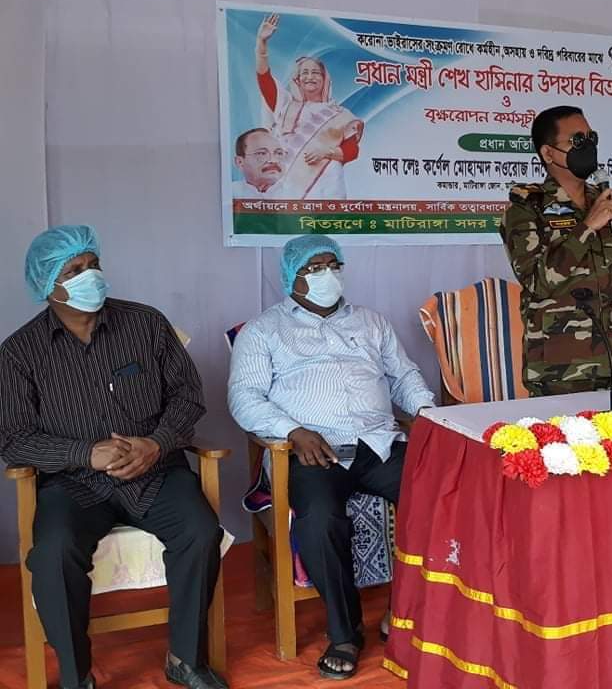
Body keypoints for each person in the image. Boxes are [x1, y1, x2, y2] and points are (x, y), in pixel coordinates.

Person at [0, 226, 226, 689]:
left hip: (155, 472)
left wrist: (157, 442)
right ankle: (76, 675)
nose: (91, 276)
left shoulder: (146, 324)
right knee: (53, 554)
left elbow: (188, 396)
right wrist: (86, 453)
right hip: (75, 484)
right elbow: (14, 438)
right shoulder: (19, 353)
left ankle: (186, 659)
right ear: (47, 284)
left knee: (200, 531)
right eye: (74, 271)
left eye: (94, 265)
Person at [227, 234, 434, 681]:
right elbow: (244, 398)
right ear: (292, 277)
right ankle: (344, 632)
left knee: (440, 499)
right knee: (319, 520)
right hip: (313, 452)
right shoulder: (264, 331)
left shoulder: (371, 322)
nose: (328, 275)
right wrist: (293, 431)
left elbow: (403, 376)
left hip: (379, 443)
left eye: (333, 265)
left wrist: (425, 413)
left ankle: (403, 609)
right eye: (314, 268)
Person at [501, 105, 612, 397]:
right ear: (548, 153)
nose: (587, 146)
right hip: (559, 368)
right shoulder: (526, 209)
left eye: (591, 138)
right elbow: (537, 282)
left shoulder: (606, 202)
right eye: (577, 140)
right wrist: (587, 226)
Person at [255, 13, 364, 200]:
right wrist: (261, 43)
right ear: (297, 79)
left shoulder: (341, 115)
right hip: (286, 184)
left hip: (326, 183)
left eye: (315, 73)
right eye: (304, 73)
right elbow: (264, 78)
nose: (310, 77)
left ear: (324, 79)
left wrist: (326, 152)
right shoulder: (285, 104)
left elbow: (352, 151)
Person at [232, 127, 287, 198]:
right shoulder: (229, 193)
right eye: (262, 153)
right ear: (239, 162)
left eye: (279, 153)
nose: (273, 160)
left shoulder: (297, 194)